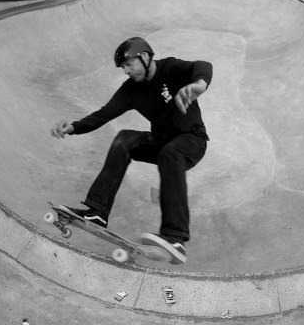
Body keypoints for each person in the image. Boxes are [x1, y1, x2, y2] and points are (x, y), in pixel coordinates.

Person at [50, 37, 212, 264]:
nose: (126, 71)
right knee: (125, 138)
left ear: (145, 57)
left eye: (129, 65)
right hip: (162, 141)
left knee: (171, 153)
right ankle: (97, 212)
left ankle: (175, 238)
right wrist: (74, 127)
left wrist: (200, 84)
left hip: (192, 140)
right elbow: (103, 114)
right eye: (123, 68)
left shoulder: (170, 68)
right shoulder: (130, 91)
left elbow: (202, 66)